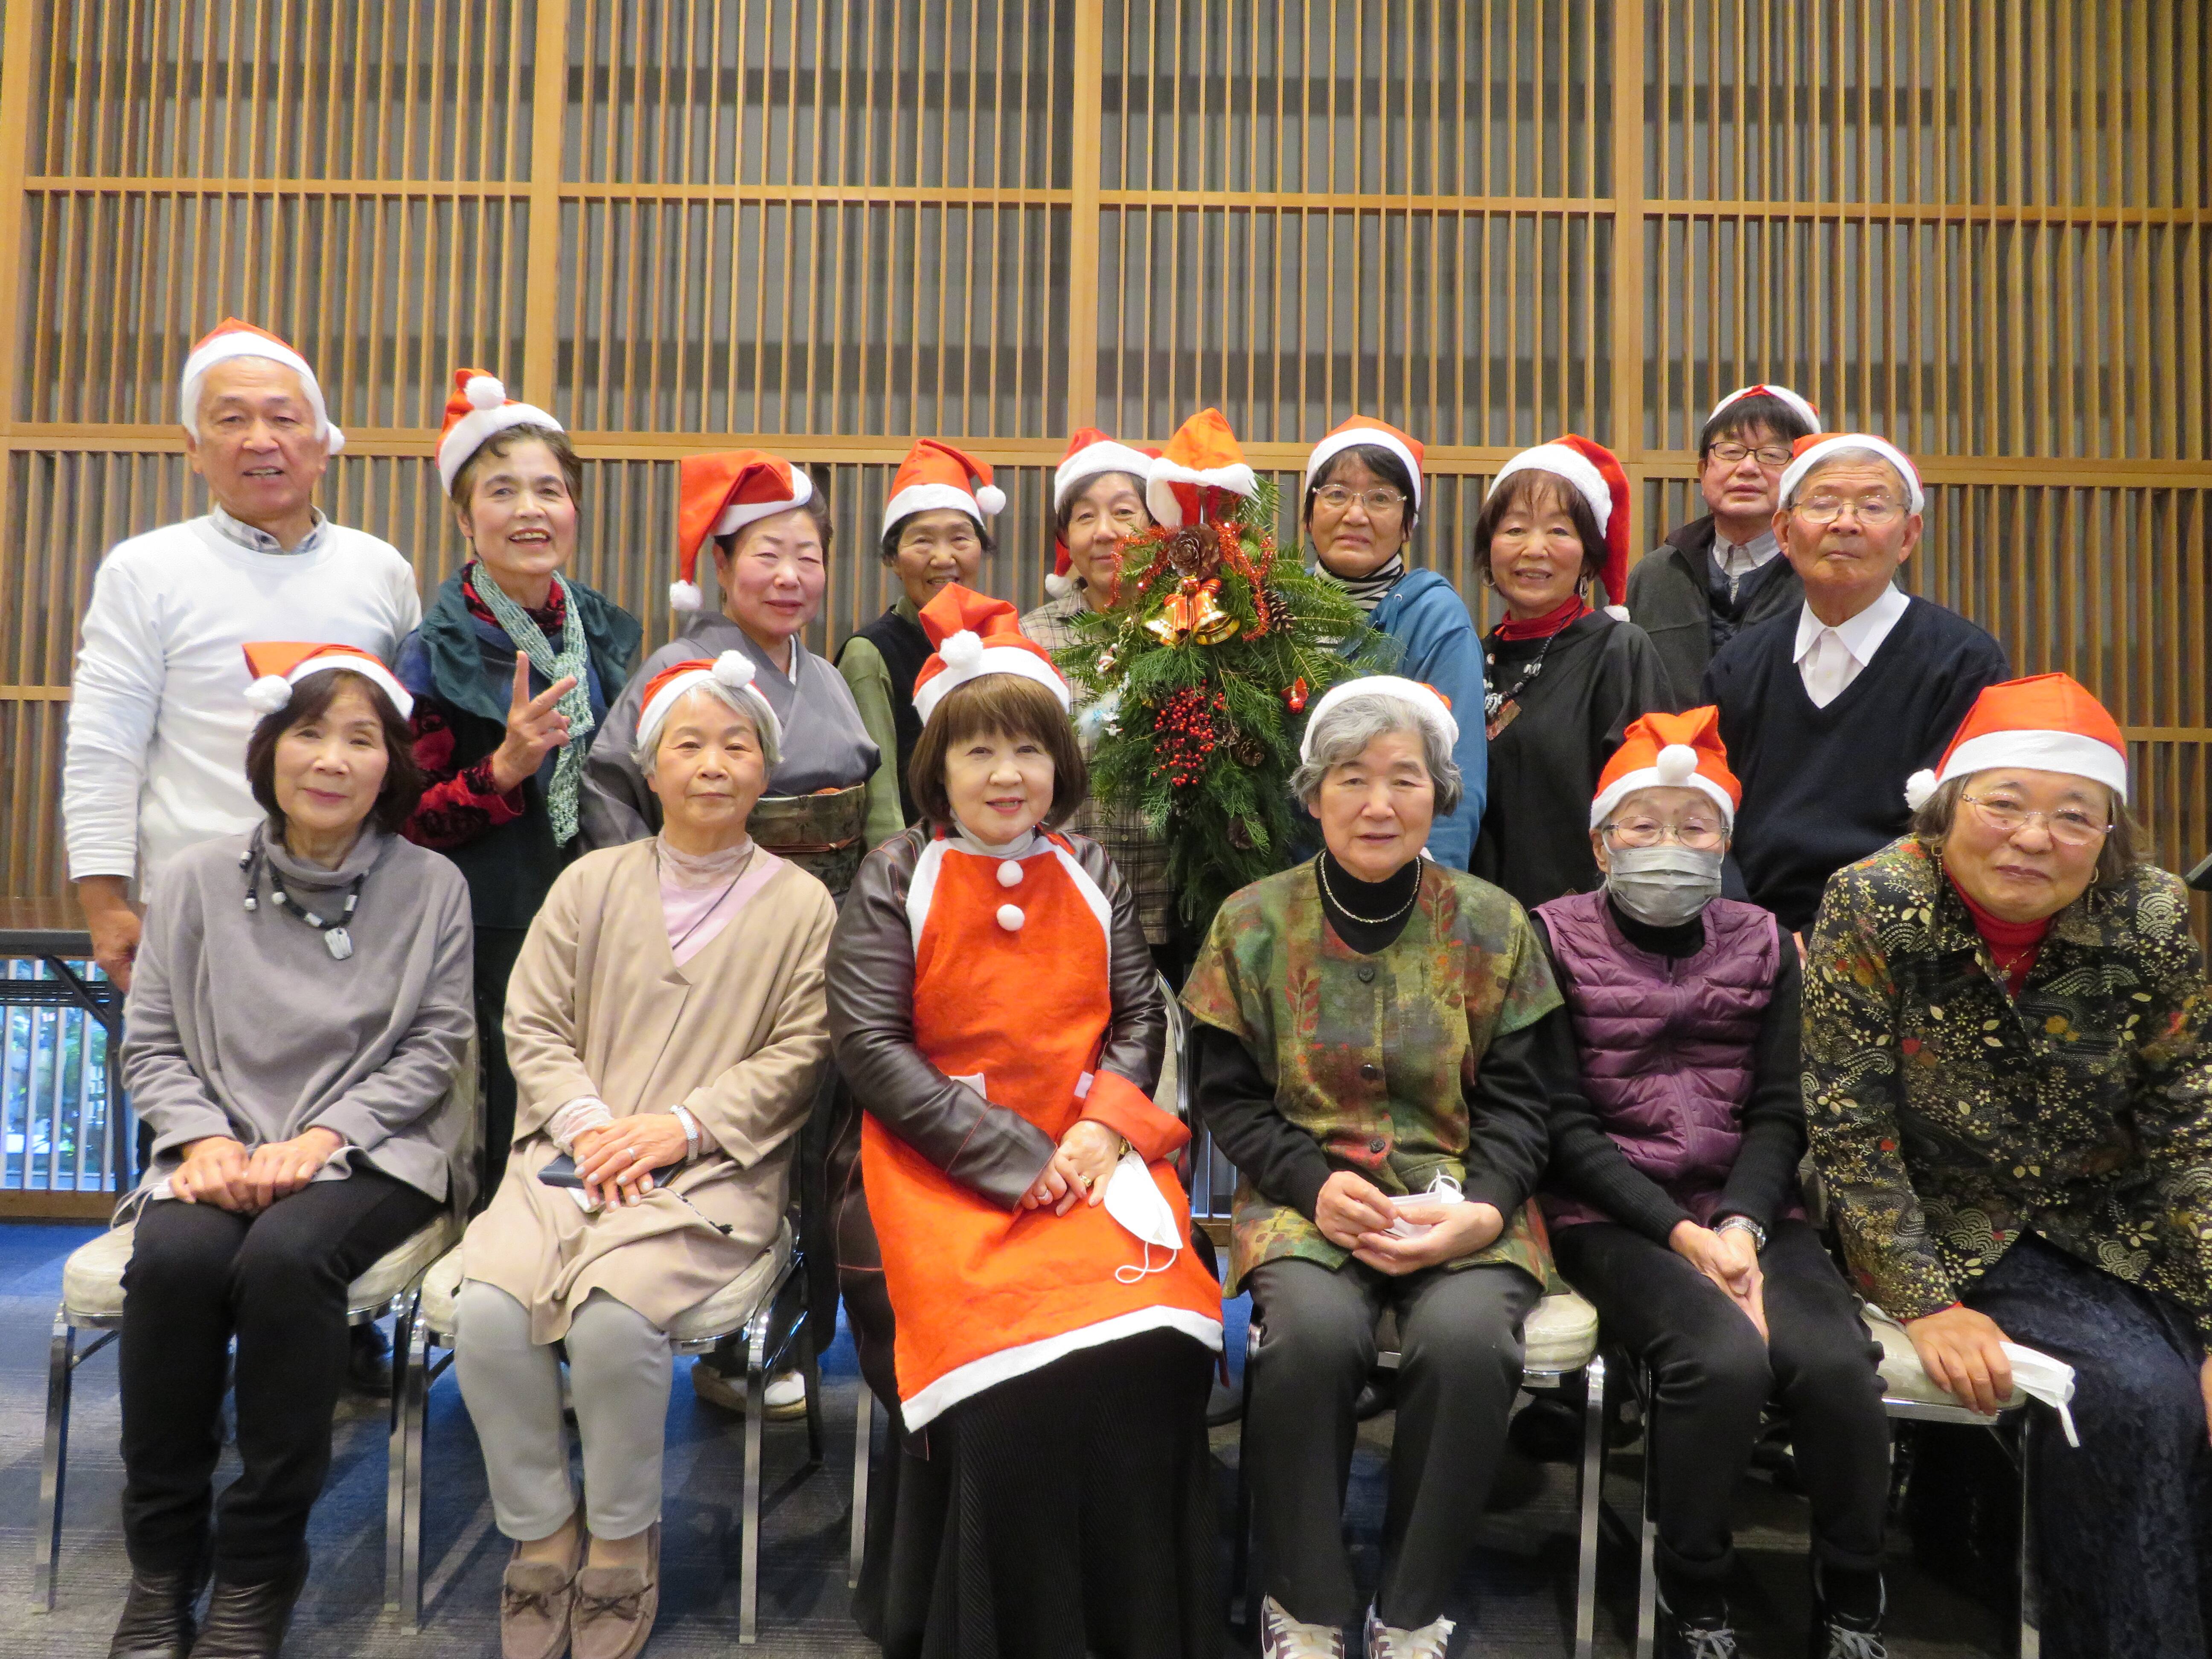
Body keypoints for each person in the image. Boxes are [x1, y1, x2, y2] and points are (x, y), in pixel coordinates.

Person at [827, 585, 1224, 1658]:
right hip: (940, 1168)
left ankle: (1141, 1623)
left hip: (1091, 1161)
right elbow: (870, 1049)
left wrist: (1101, 1133)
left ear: (1060, 764)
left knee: (1162, 1333)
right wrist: (1018, 1160)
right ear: (938, 768)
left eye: (1029, 752)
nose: (1007, 776)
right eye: (980, 753)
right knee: (1014, 1375)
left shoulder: (1089, 869)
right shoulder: (893, 874)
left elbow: (1141, 1013)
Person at [1805, 673, 2212, 1659]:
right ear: (1947, 809)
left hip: (2107, 1220)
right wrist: (1925, 1299)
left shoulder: (2145, 918)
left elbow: (2186, 1124)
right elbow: (1847, 1127)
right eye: (2003, 805)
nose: (2033, 838)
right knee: (2136, 1398)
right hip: (1940, 1220)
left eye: (2071, 816)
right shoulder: (1873, 902)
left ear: (2105, 833)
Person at [64, 316, 422, 1395]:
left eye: (284, 418)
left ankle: (327, 1330)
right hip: (197, 921)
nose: (261, 439)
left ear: (326, 442)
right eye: (232, 420)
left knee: (329, 1147)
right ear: (194, 447)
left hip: (350, 920)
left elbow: (397, 745)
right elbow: (104, 739)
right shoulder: (148, 569)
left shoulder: (380, 571)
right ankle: (188, 1373)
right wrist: (103, 900)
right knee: (199, 1150)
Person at [455, 649, 835, 1659]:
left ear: (767, 769)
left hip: (711, 1174)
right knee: (487, 1313)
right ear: (650, 767)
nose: (713, 763)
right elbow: (530, 1021)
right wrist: (589, 1124)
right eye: (689, 744)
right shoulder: (588, 883)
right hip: (565, 1161)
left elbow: (803, 1050)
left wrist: (680, 1127)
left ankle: (621, 1541)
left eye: (737, 744)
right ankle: (543, 1532)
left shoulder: (803, 906)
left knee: (619, 1318)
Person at [106, 643, 472, 1659]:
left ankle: (259, 1564)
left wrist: (320, 1139)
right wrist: (206, 1140)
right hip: (218, 1144)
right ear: (270, 748)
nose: (332, 758)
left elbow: (434, 1047)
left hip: (375, 1149)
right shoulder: (191, 879)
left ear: (392, 763)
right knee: (174, 1261)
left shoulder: (432, 885)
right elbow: (153, 1040)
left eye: (362, 738)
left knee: (283, 1259)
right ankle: (161, 1565)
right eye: (310, 731)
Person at [1185, 676, 1558, 1659]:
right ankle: (1303, 1601)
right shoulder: (1253, 922)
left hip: (1462, 1201)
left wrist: (1483, 1210)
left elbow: (1527, 1104)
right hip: (1309, 1195)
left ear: (1440, 796)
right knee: (1305, 1339)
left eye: (1404, 779)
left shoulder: (1493, 923)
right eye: (1352, 778)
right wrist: (1309, 1183)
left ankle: (1410, 1604)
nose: (1378, 803)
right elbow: (1223, 1095)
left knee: (1469, 1343)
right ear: (1313, 794)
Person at [1533, 707, 1891, 1659]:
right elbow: (1562, 1126)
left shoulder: (1769, 942)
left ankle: (1852, 1594)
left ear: (1726, 841)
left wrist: (1740, 1222)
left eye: (1694, 827)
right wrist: (1679, 1233)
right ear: (1601, 841)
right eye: (1642, 827)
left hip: (1755, 1207)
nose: (1668, 846)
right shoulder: (1550, 937)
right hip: (1611, 1212)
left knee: (1836, 1365)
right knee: (1719, 1362)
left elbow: (1781, 1109)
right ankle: (1695, 1590)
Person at [396, 369, 641, 1196]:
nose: (532, 510)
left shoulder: (595, 625)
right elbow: (403, 818)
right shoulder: (440, 645)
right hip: (487, 916)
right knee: (507, 1101)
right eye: (503, 492)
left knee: (598, 1090)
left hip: (593, 902)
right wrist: (503, 770)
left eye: (551, 490)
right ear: (466, 519)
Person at [1703, 431, 2009, 936]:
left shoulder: (1963, 661)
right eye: (1823, 504)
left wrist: (1843, 942)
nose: (1844, 523)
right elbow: (1708, 815)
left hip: (1903, 942)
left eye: (1872, 506)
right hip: (1753, 942)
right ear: (1783, 532)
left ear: (1908, 536)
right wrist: (1755, 935)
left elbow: (1960, 830)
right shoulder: (1740, 662)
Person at [579, 449, 883, 893]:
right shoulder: (676, 669)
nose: (789, 577)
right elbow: (609, 795)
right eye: (768, 556)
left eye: (808, 559)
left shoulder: (828, 677)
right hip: (702, 907)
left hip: (831, 917)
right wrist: (653, 902)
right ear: (722, 566)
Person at [1469, 435, 1674, 910]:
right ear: (1490, 547)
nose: (1534, 549)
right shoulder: (1470, 658)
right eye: (1515, 529)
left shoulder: (1619, 651)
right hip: (1474, 935)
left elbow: (1651, 810)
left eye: (1559, 532)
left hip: (1585, 936)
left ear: (1589, 555)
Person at [1019, 427, 1182, 970]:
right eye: (1086, 517)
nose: (1105, 533)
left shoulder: (1197, 626)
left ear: (1156, 527)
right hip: (1059, 898)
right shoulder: (1031, 639)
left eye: (1124, 513)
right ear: (1067, 536)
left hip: (1176, 908)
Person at [1301, 416, 1487, 870]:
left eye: (1381, 498)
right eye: (1337, 494)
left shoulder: (1435, 616)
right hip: (1284, 889)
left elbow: (1457, 779)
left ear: (1409, 524)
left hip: (1399, 878)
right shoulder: (1273, 606)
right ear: (1307, 515)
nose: (1356, 514)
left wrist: (1433, 898)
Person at [836, 438, 1007, 837]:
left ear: (981, 548)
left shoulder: (998, 640)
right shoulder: (870, 653)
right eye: (923, 540)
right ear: (893, 559)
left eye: (961, 538)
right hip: (918, 866)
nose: (944, 558)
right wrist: (897, 880)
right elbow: (879, 803)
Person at [1628, 384, 1820, 704]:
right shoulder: (1656, 575)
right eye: (1730, 452)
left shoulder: (1827, 573)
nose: (1747, 468)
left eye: (1772, 455)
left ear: (1802, 477)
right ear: (1703, 472)